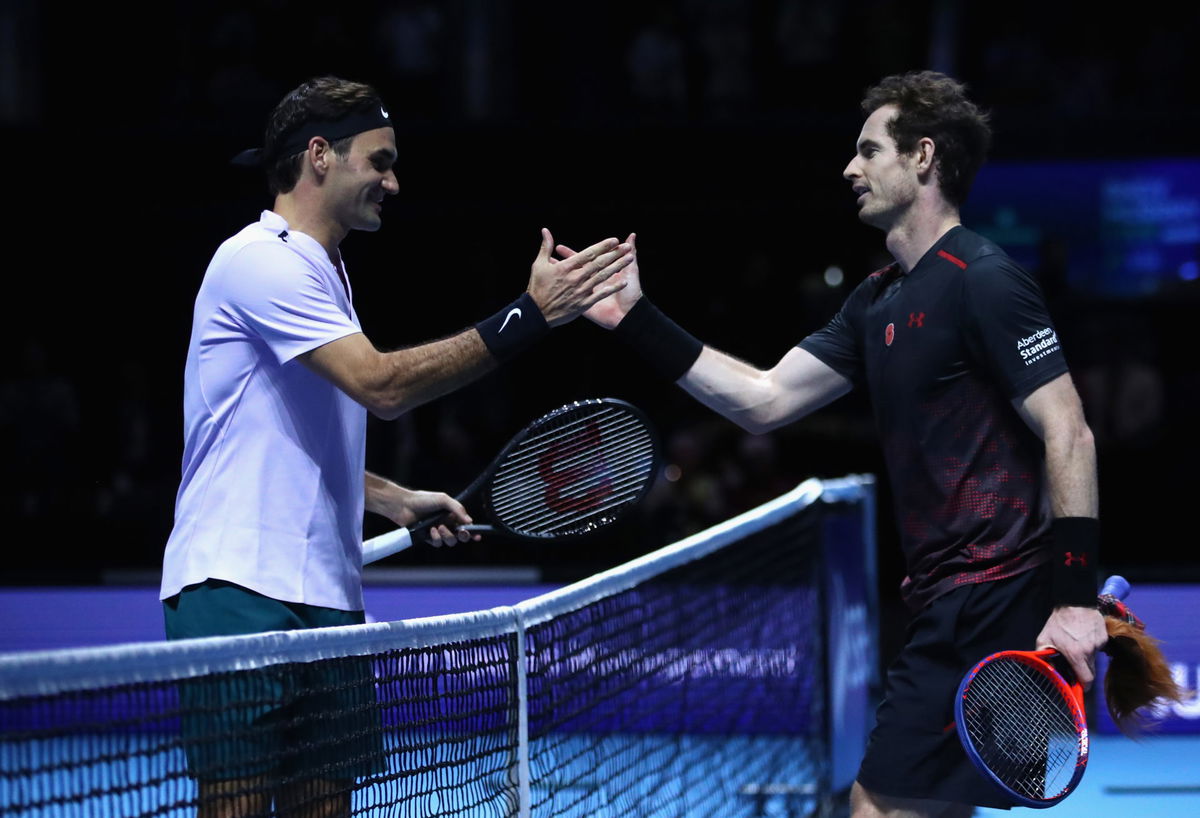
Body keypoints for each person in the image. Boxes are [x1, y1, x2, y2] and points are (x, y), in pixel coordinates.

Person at [581, 70, 1106, 816]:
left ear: (922, 157)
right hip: (943, 601)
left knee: (877, 806)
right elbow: (765, 400)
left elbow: (1070, 430)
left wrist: (1075, 598)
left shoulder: (984, 280)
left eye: (868, 151)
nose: (848, 169)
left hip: (994, 597)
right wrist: (637, 318)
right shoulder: (877, 301)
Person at [159, 76, 631, 818]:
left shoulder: (326, 272)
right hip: (238, 587)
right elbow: (379, 386)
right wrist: (530, 316)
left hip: (329, 596)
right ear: (320, 155)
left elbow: (284, 436)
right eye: (379, 161)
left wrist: (392, 498)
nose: (393, 181)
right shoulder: (258, 259)